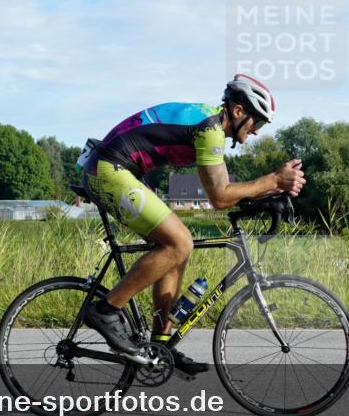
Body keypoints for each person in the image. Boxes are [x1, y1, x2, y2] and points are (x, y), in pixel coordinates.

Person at [78, 74, 306, 374]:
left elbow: (226, 188)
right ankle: (105, 310)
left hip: (120, 169)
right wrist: (273, 180)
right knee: (180, 242)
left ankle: (160, 346)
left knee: (174, 250)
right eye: (257, 123)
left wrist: (269, 193)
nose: (257, 132)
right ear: (238, 111)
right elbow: (220, 197)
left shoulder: (210, 125)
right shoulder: (209, 129)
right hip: (109, 169)